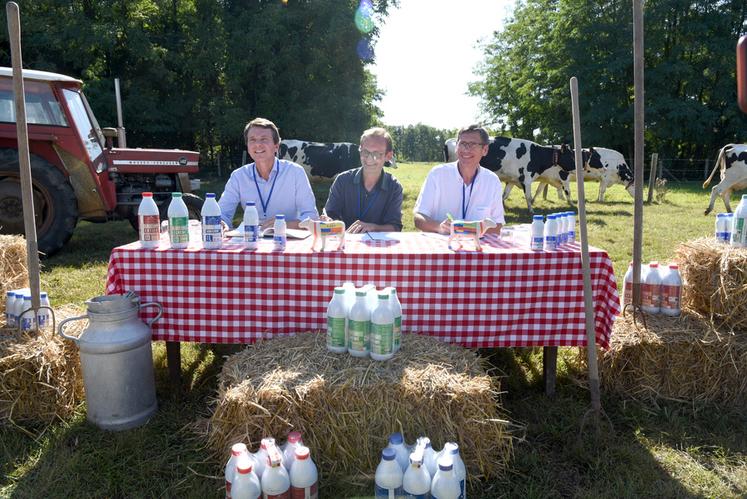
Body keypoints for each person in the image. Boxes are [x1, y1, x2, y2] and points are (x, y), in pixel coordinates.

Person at [218, 117, 318, 230]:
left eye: (264, 139)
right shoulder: (238, 176)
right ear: (248, 146)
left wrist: (284, 225)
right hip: (251, 241)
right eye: (252, 140)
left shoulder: (295, 172)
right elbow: (222, 214)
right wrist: (221, 224)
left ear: (276, 146)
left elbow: (312, 217)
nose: (258, 144)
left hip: (287, 241)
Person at [413, 124, 504, 235]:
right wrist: (439, 227)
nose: (466, 149)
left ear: (485, 150)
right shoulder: (437, 174)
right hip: (442, 247)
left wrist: (465, 230)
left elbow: (497, 225)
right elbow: (418, 217)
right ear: (456, 147)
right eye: (462, 143)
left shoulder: (492, 181)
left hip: (478, 248)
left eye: (473, 144)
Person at [323, 127, 403, 233]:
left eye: (376, 154)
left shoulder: (394, 187)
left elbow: (395, 227)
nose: (369, 159)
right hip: (344, 245)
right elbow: (329, 214)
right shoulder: (342, 180)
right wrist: (328, 221)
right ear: (360, 151)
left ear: (388, 156)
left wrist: (373, 227)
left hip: (378, 248)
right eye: (365, 152)